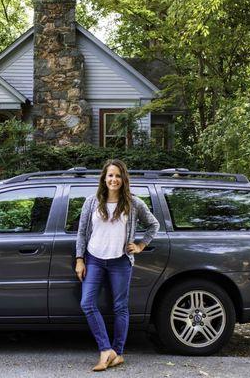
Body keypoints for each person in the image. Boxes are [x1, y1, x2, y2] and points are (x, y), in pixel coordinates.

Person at [75, 159, 159, 371]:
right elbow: (81, 233)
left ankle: (118, 353)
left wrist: (140, 245)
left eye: (118, 176)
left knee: (120, 307)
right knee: (87, 303)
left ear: (123, 179)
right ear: (104, 178)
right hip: (94, 259)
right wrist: (79, 259)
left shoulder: (133, 203)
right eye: (110, 175)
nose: (114, 179)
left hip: (120, 261)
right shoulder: (91, 202)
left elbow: (153, 225)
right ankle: (106, 349)